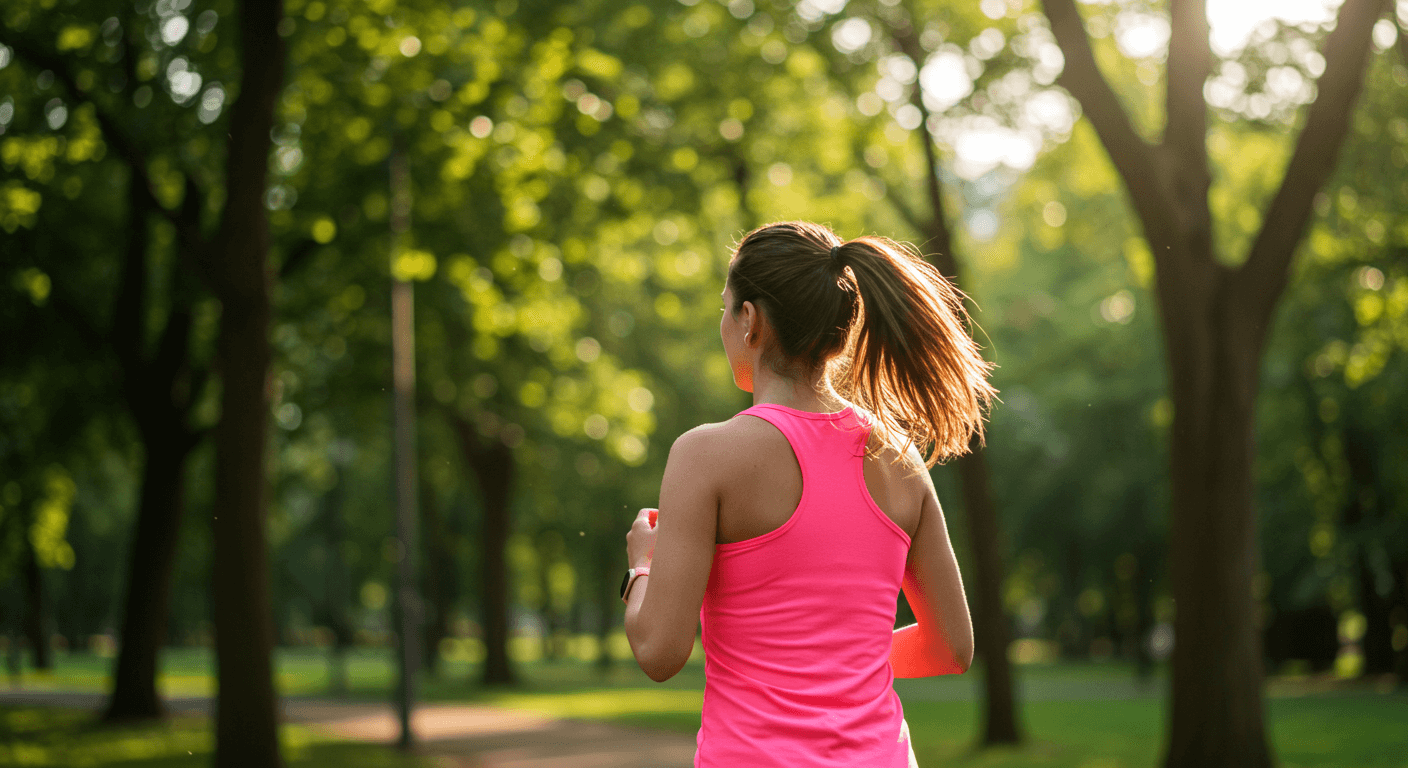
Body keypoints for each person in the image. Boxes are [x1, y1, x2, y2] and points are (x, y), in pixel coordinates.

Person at [622, 221, 992, 767]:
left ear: (750, 320)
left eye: (725, 308)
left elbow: (659, 651)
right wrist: (839, 660)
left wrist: (641, 568)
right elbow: (951, 648)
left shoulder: (706, 455)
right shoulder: (900, 461)